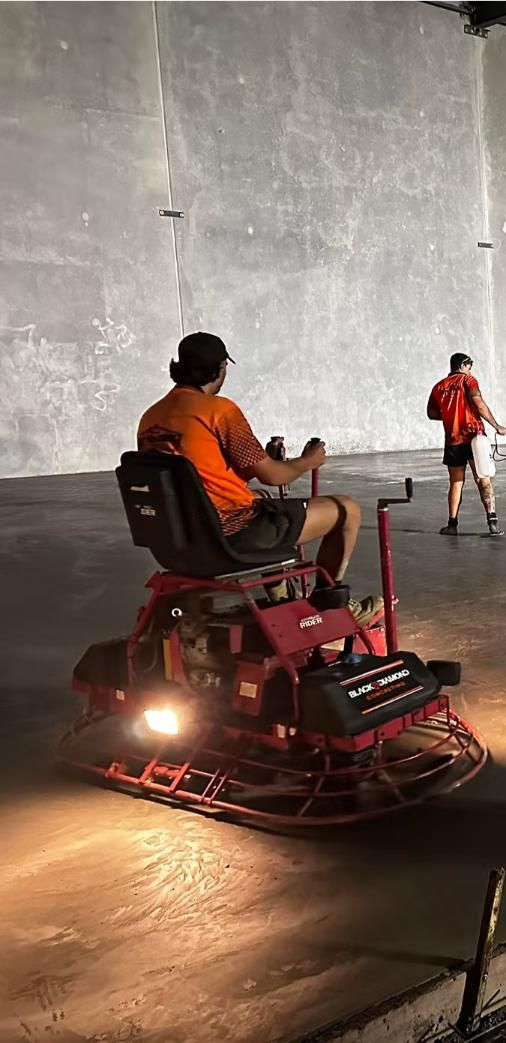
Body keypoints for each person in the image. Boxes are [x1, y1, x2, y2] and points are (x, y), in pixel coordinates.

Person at [137, 331, 382, 624]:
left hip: (176, 543)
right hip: (231, 536)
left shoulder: (150, 418)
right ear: (218, 368)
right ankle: (331, 603)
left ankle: (280, 596)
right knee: (348, 509)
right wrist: (307, 461)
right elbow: (273, 477)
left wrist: (258, 460)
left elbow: (195, 477)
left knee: (260, 499)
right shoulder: (219, 410)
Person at [427, 353, 506, 536]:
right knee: (483, 478)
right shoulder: (468, 381)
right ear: (463, 365)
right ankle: (492, 523)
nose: (470, 371)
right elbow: (478, 404)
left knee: (456, 482)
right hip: (474, 436)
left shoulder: (439, 386)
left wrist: (450, 413)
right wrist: (496, 426)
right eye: (469, 367)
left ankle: (452, 525)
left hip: (453, 439)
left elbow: (431, 413)